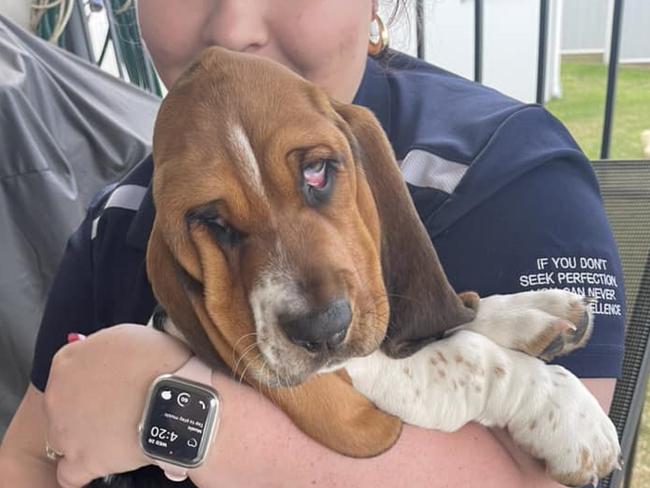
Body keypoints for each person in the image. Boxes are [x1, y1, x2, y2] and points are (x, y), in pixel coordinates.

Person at [0, 1, 625, 486]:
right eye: (216, 223)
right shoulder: (122, 216)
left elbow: (560, 471)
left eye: (317, 174)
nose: (234, 24)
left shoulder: (512, 175)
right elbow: (27, 460)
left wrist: (179, 410)